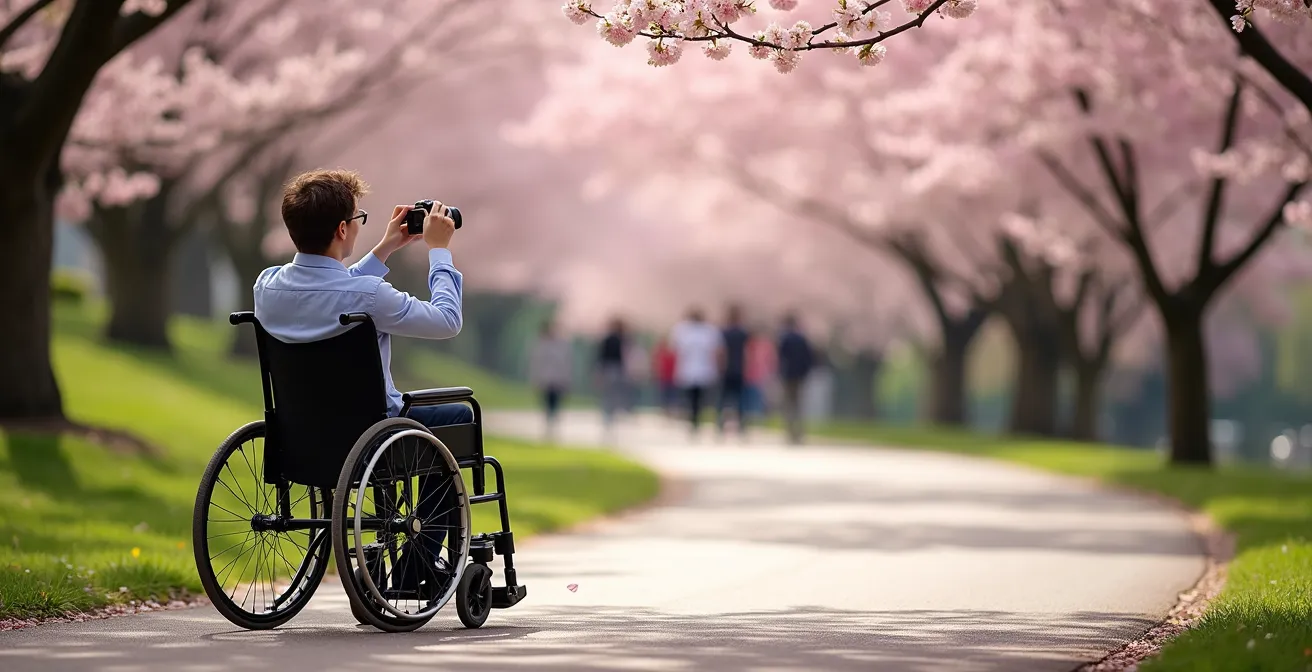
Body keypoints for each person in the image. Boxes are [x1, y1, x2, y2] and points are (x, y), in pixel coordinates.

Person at [252, 168, 463, 590]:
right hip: (375, 435)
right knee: (459, 416)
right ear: (343, 228)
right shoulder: (367, 296)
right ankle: (418, 564)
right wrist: (439, 252)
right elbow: (447, 320)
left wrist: (384, 248)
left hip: (299, 439)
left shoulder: (267, 286)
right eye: (358, 220)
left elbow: (328, 289)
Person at [669, 307, 723, 435]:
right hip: (697, 369)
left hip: (695, 369)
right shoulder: (705, 330)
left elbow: (674, 348)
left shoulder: (685, 330)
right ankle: (694, 419)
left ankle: (694, 420)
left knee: (695, 398)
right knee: (695, 398)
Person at [529, 320, 573, 442]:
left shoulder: (562, 345)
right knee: (547, 403)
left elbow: (566, 364)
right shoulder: (541, 344)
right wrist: (536, 378)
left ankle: (553, 425)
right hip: (546, 379)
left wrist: (566, 379)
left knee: (556, 403)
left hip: (558, 380)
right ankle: (548, 426)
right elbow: (536, 363)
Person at [777, 312, 815, 445]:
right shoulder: (802, 339)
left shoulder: (784, 339)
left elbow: (780, 358)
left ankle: (790, 431)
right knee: (799, 404)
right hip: (800, 375)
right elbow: (809, 358)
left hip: (788, 375)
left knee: (788, 404)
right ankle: (799, 432)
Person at [716, 305, 750, 437]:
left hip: (726, 369)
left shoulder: (723, 332)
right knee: (739, 399)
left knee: (723, 399)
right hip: (739, 369)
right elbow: (747, 352)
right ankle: (741, 425)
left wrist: (720, 366)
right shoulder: (743, 333)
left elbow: (721, 351)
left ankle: (721, 423)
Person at [595, 317, 629, 440]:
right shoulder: (620, 340)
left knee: (608, 397)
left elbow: (600, 357)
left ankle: (608, 419)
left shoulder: (611, 340)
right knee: (613, 397)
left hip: (609, 370)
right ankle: (610, 419)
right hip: (614, 370)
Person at [651, 336, 678, 416]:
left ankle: (669, 409)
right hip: (663, 377)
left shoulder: (672, 353)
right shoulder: (660, 353)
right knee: (663, 394)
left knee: (671, 395)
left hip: (670, 377)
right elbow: (656, 364)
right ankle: (664, 409)